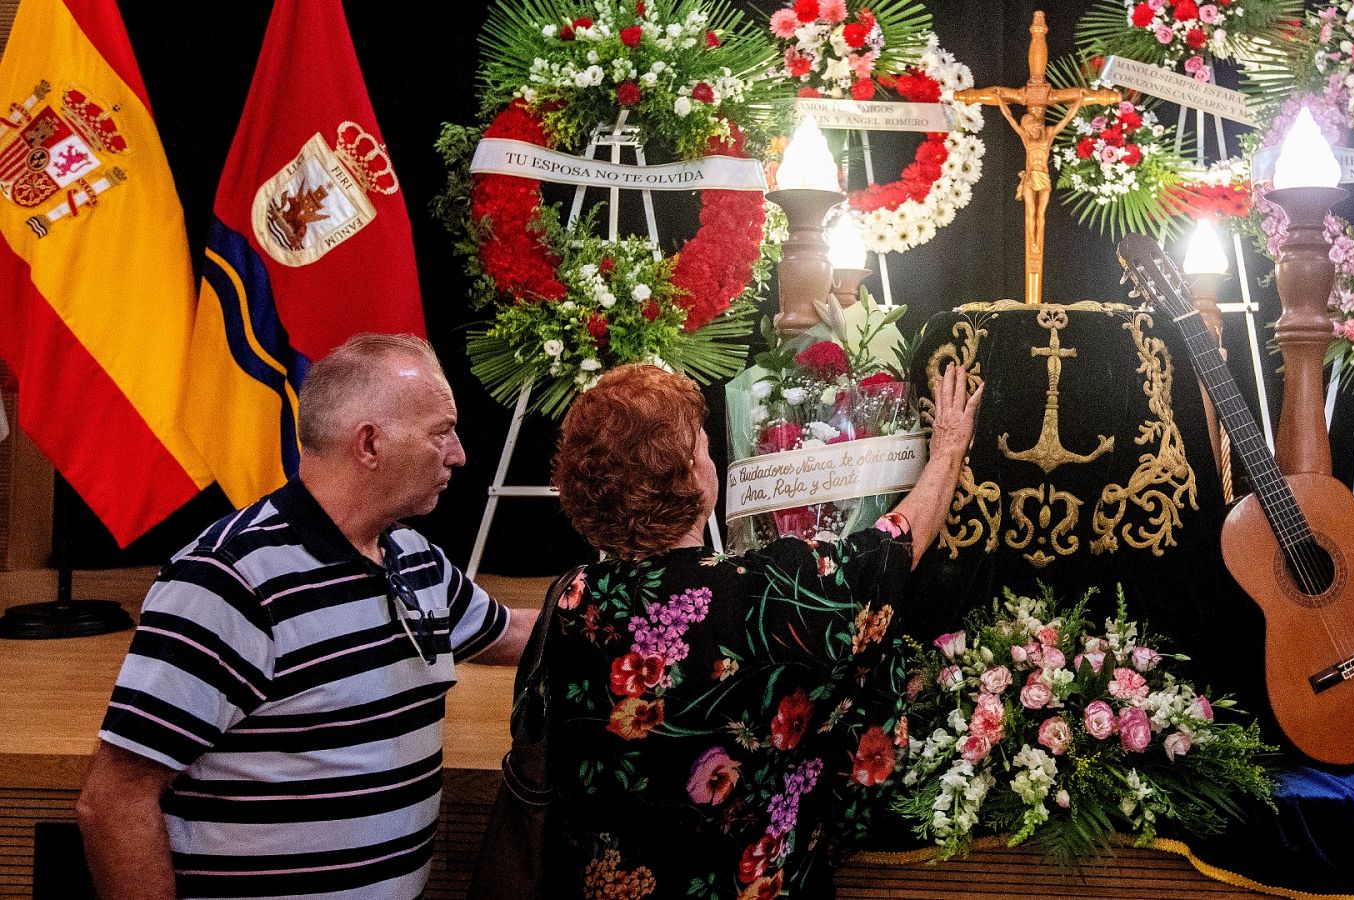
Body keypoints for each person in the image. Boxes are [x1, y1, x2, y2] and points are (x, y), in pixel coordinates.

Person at [76, 333, 537, 899]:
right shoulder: (229, 579)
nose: (459, 453)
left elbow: (512, 631)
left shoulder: (412, 557)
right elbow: (115, 800)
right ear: (369, 444)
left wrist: (654, 612)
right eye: (441, 431)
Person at [541, 360, 982, 898]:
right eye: (704, 447)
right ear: (686, 473)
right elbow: (894, 547)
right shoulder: (763, 592)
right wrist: (950, 448)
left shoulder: (571, 597)